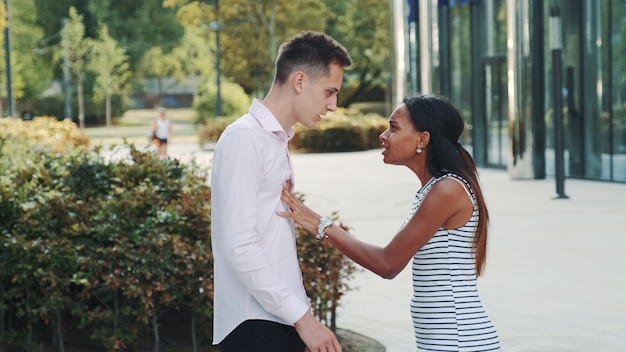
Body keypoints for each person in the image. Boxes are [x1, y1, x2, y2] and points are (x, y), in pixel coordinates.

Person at [279, 94, 501, 352]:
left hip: (459, 340)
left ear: (422, 139)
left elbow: (388, 263)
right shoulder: (436, 188)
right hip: (449, 338)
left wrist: (322, 225)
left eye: (394, 128)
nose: (383, 136)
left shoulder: (447, 189)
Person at [210, 30, 352, 352]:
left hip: (276, 321)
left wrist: (299, 317)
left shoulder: (273, 139)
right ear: (300, 81)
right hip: (254, 325)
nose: (333, 105)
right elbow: (239, 245)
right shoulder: (245, 138)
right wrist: (303, 319)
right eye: (329, 92)